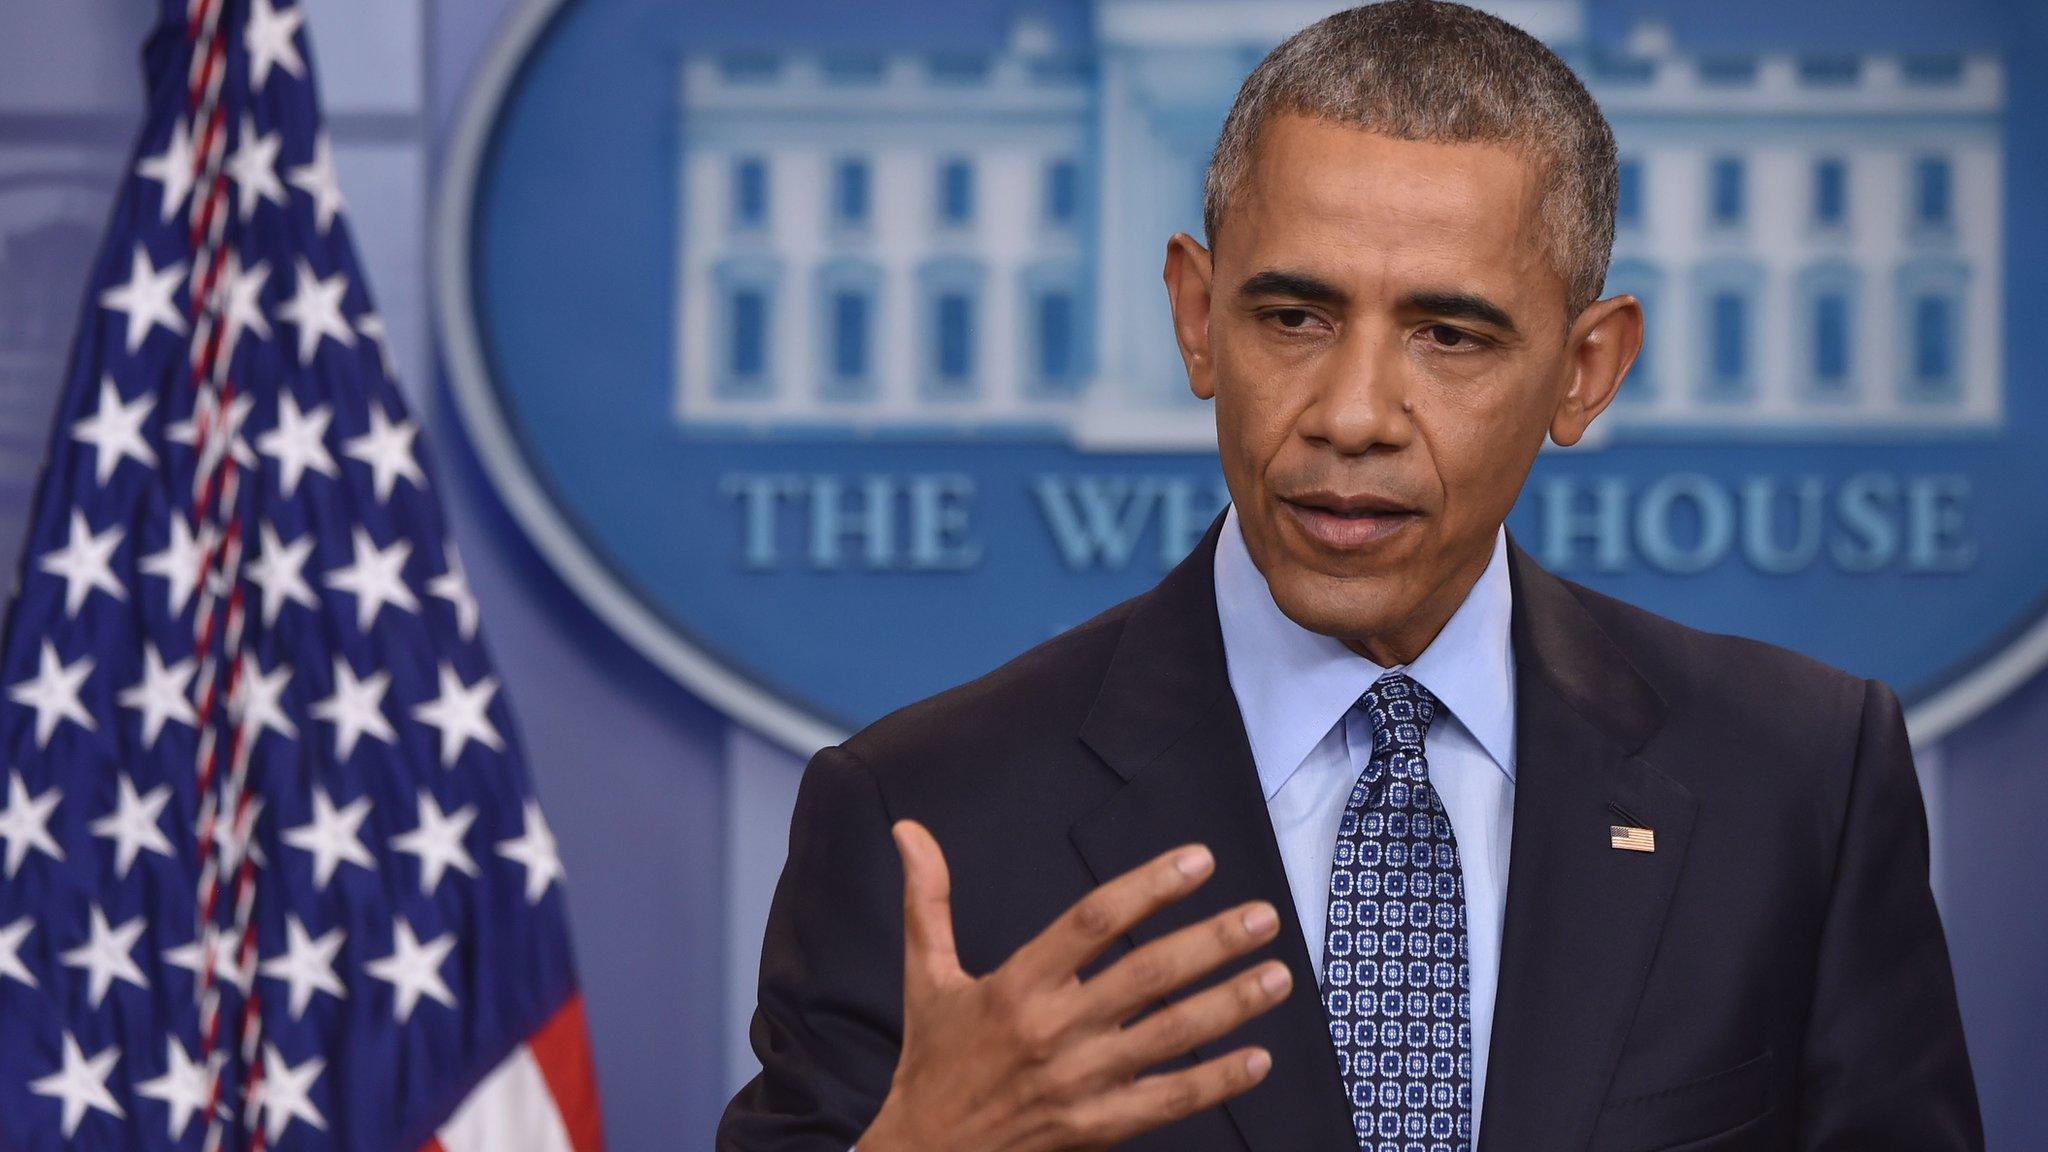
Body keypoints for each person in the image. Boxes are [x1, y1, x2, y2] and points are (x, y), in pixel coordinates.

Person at [716, 2, 1984, 1149]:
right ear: (1195, 318)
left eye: (1447, 335)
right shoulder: (921, 819)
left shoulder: (1796, 781)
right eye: (1292, 319)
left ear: (1585, 372)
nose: (1353, 413)